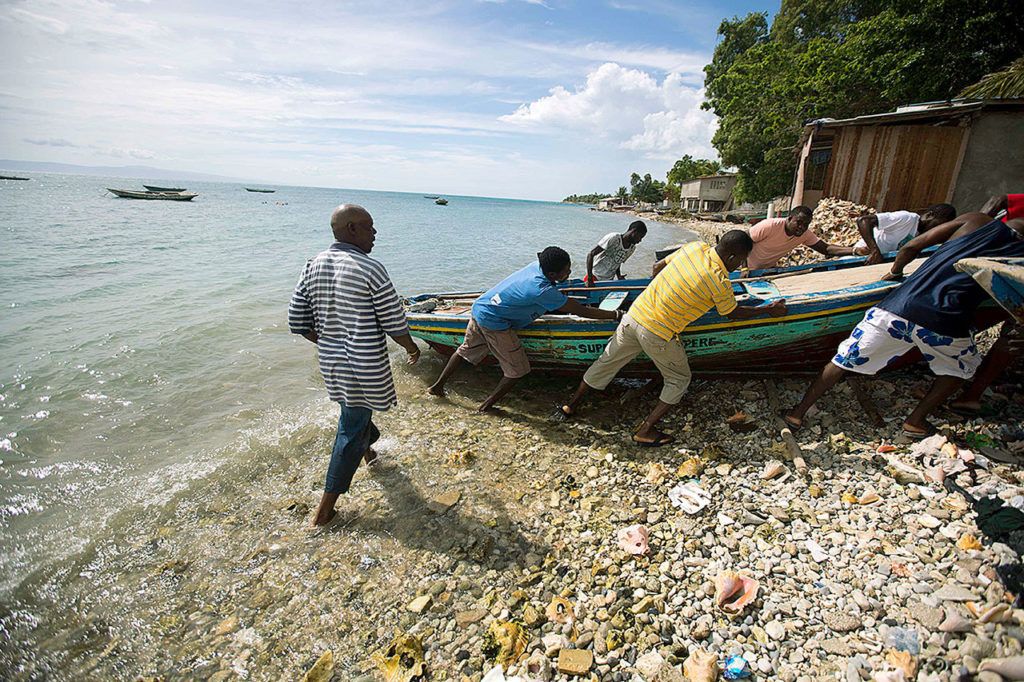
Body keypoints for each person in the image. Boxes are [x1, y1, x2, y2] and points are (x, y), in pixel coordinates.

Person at [785, 214, 1024, 439]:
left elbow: (911, 247)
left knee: (843, 359)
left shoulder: (975, 220)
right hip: (944, 319)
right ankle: (915, 421)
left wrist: (894, 271)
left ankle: (796, 413)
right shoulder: (1019, 256)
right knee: (962, 367)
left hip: (896, 307)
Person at [561, 231, 787, 446]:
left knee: (605, 363)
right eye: (740, 261)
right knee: (679, 378)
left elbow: (658, 266)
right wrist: (768, 309)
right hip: (657, 332)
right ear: (731, 256)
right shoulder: (719, 280)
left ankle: (570, 406)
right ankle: (645, 430)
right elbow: (731, 313)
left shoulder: (695, 247)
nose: (740, 266)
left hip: (633, 316)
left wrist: (666, 292)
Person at [289, 204, 421, 530]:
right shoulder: (370, 269)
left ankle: (369, 454)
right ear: (351, 229)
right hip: (364, 365)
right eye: (369, 227)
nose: (375, 234)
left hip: (332, 362)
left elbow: (297, 320)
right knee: (350, 427)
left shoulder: (313, 264)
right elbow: (393, 321)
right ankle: (323, 513)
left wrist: (331, 342)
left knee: (354, 413)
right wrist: (411, 346)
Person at [427, 247, 623, 412]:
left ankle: (436, 387)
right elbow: (580, 311)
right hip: (495, 323)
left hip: (481, 308)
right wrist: (615, 315)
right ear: (552, 274)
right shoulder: (542, 290)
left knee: (464, 350)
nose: (569, 274)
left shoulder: (536, 267)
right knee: (517, 370)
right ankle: (485, 407)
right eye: (566, 272)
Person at [746, 205, 856, 270]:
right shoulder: (770, 225)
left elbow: (826, 249)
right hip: (745, 269)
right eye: (798, 222)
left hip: (767, 270)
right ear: (789, 219)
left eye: (806, 224)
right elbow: (742, 240)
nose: (801, 227)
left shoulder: (804, 235)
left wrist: (855, 250)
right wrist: (744, 267)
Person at [853, 204, 957, 265]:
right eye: (938, 225)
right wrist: (874, 251)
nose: (938, 229)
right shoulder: (907, 218)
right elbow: (864, 221)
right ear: (930, 215)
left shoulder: (924, 235)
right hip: (861, 258)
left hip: (879, 263)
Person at [585, 220, 647, 285]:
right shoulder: (614, 238)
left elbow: (617, 262)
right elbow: (591, 254)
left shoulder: (631, 248)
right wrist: (590, 279)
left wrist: (619, 276)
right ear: (634, 231)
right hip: (594, 278)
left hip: (608, 282)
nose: (640, 240)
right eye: (640, 237)